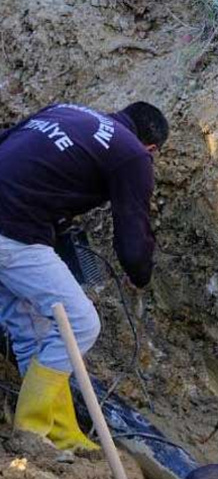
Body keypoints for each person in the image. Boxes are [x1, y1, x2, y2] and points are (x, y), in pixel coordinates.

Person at [0, 101, 166, 450]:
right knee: (80, 323)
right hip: (11, 227)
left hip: (11, 219)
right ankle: (29, 433)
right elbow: (133, 243)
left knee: (32, 331)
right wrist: (139, 276)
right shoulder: (134, 155)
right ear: (151, 148)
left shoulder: (68, 112)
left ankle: (57, 434)